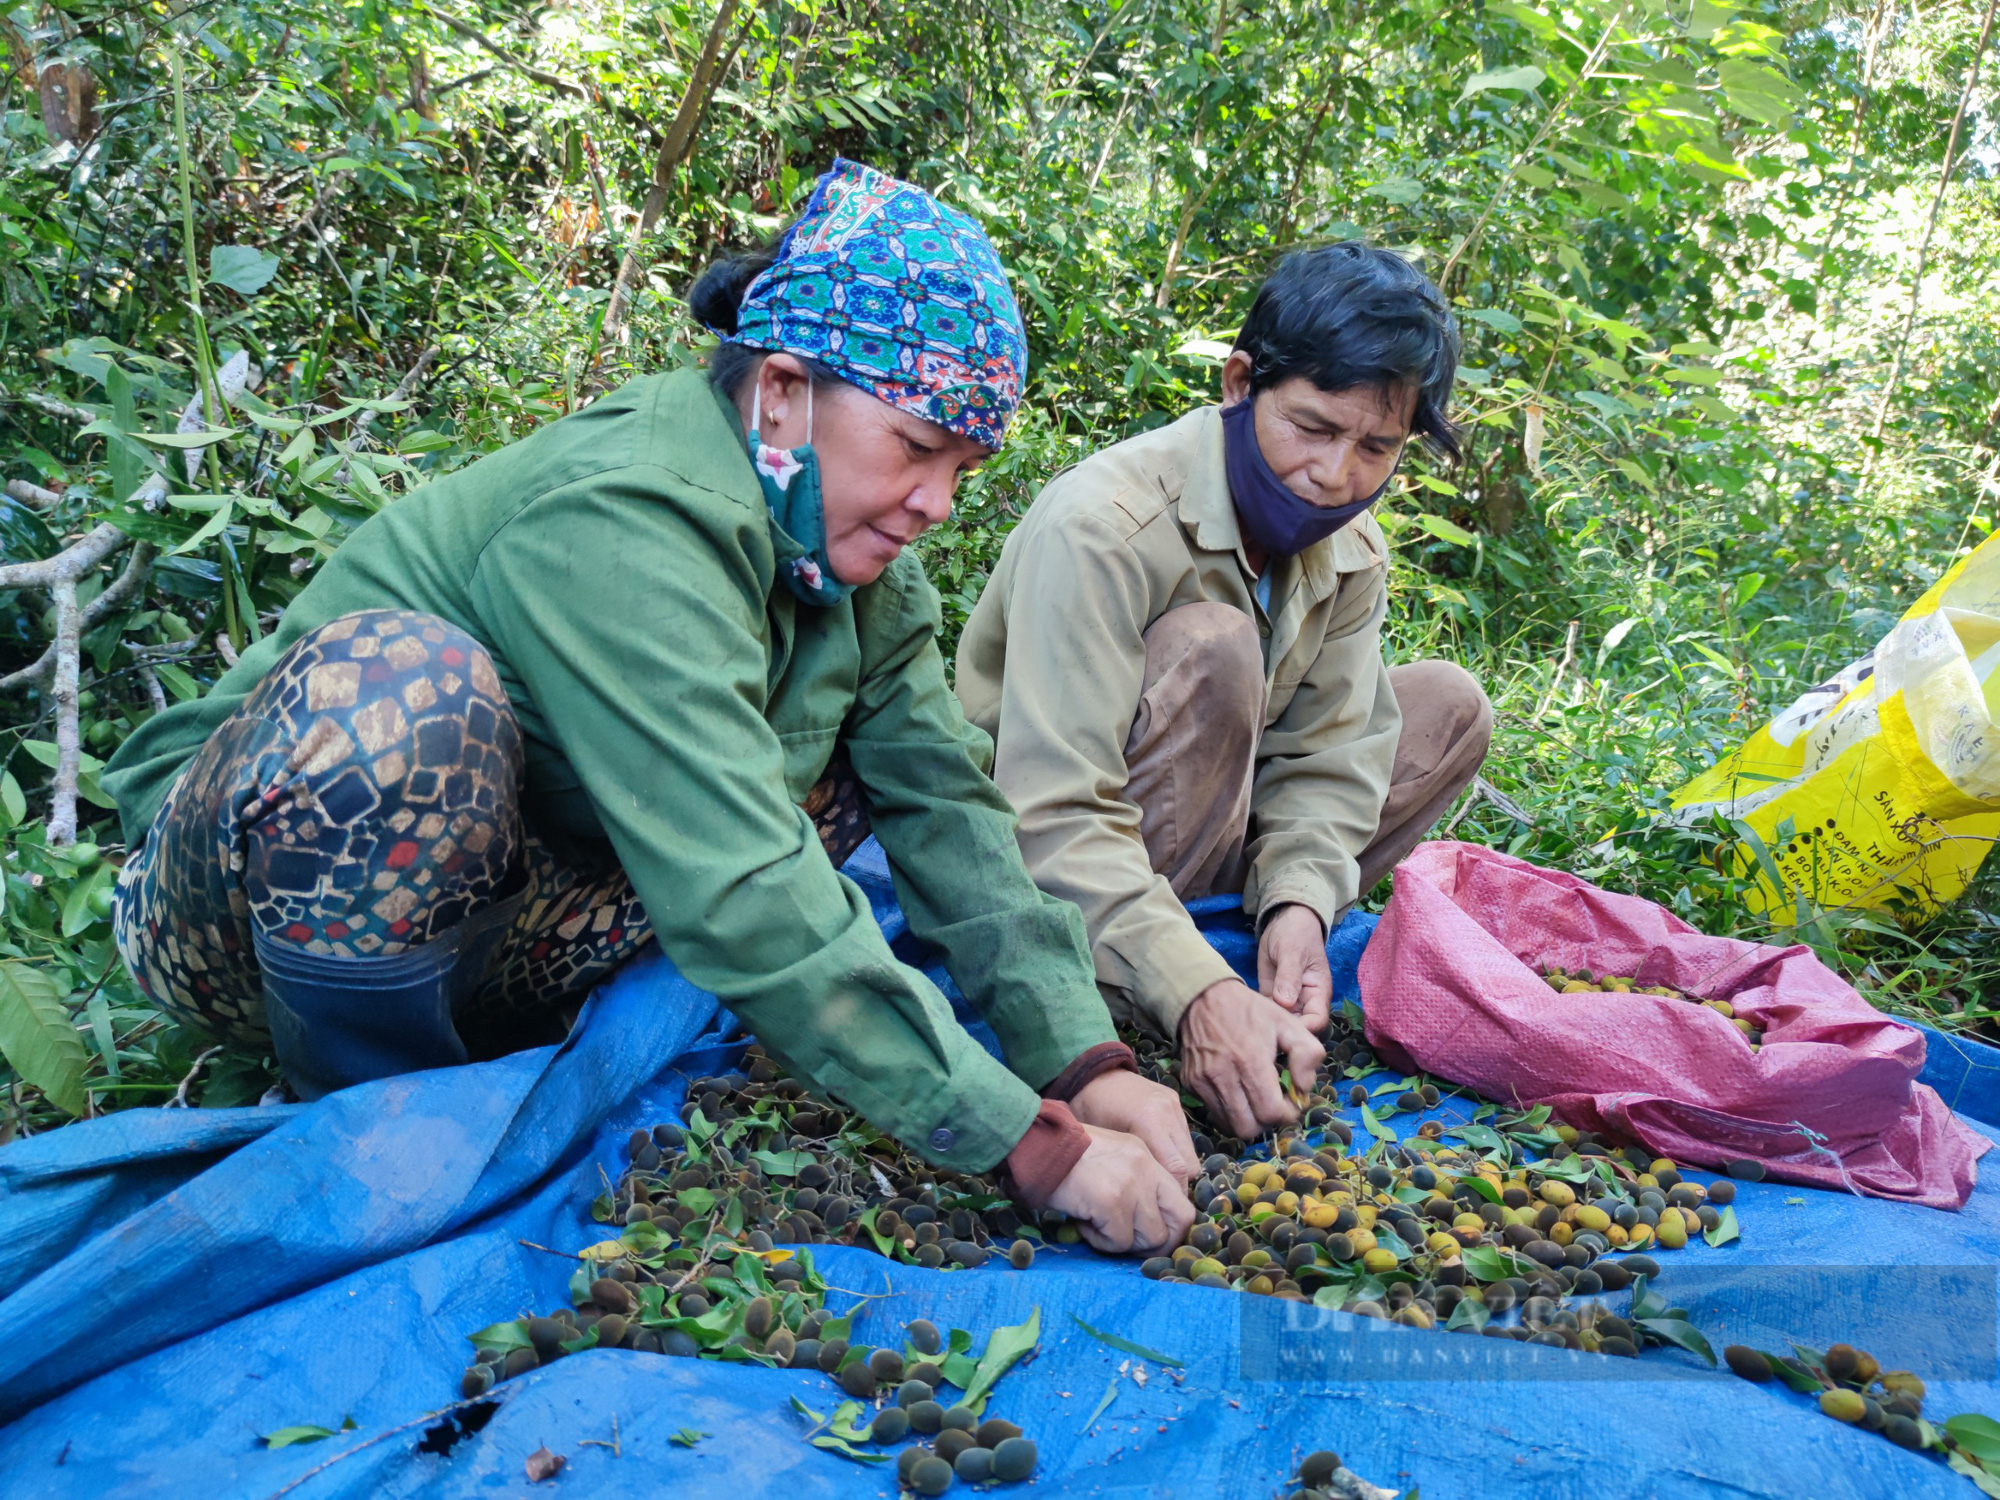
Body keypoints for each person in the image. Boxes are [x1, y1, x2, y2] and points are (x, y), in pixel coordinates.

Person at [103, 159, 1195, 1254]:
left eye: (963, 468)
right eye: (915, 450)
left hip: (501, 907)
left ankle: (500, 1059)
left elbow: (947, 809)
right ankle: (375, 1136)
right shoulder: (626, 516)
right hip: (241, 914)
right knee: (406, 691)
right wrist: (1031, 1145)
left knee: (854, 762)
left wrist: (1080, 1062)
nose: (934, 504)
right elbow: (737, 879)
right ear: (778, 391)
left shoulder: (855, 572)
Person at [954, 242, 1493, 1142]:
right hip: (1040, 862)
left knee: (1449, 705)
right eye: (1314, 429)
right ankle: (1157, 979)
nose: (1338, 476)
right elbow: (1049, 810)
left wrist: (1300, 901)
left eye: (1377, 447)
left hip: (1212, 829)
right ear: (1241, 383)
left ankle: (1248, 953)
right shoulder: (1105, 527)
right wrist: (1194, 990)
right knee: (1216, 643)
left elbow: (1328, 756)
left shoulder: (1350, 549)